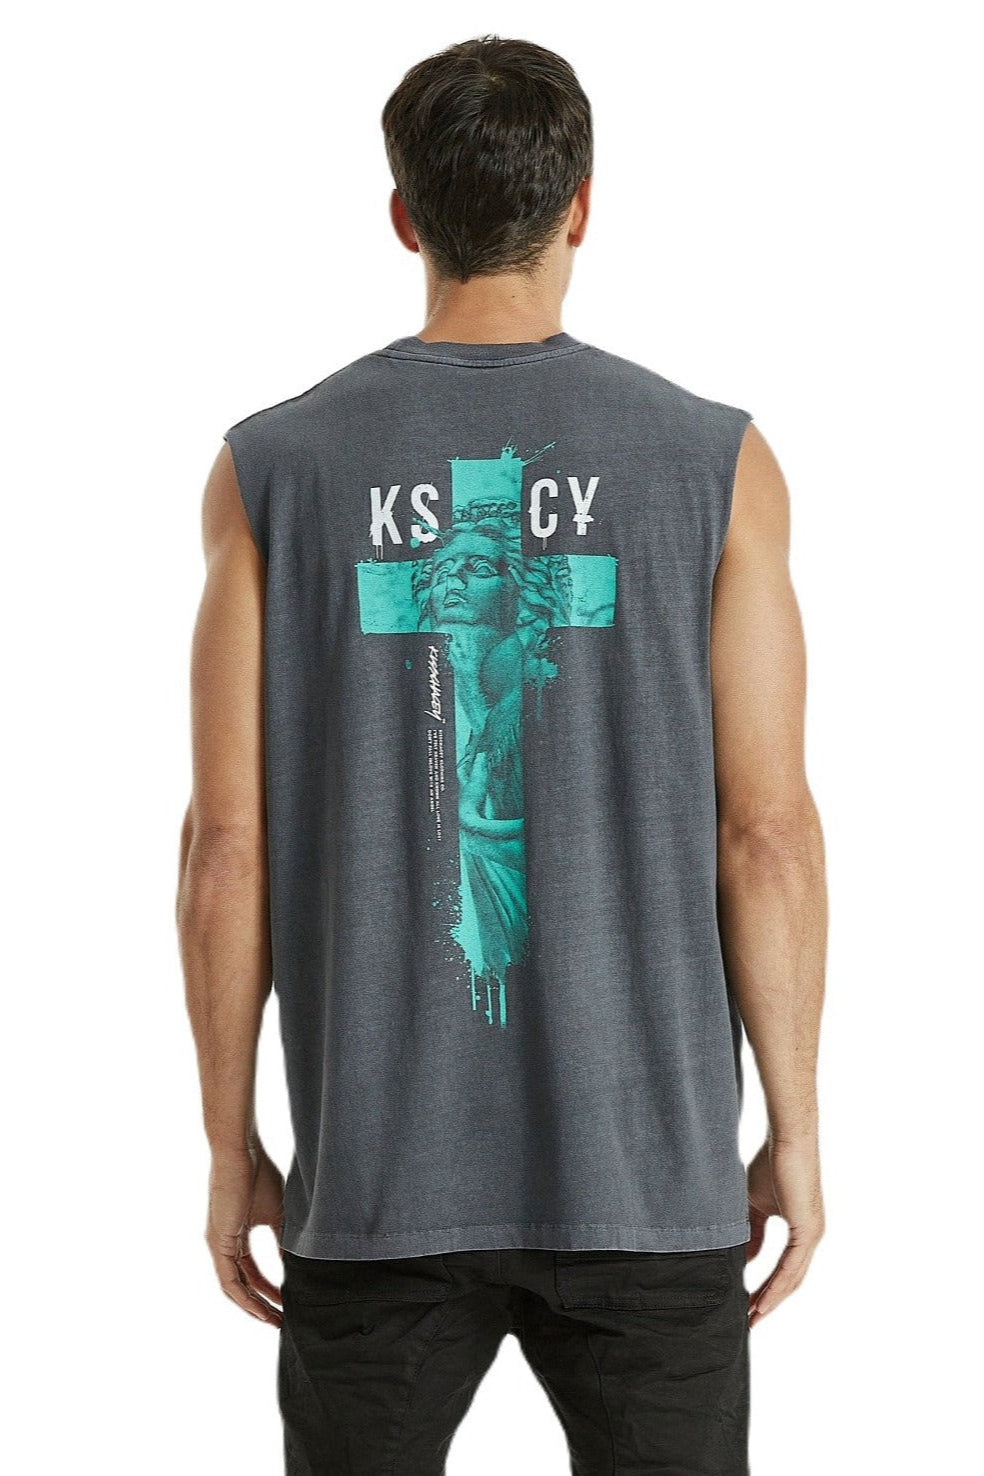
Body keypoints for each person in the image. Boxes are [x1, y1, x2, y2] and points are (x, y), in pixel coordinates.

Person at [176, 33, 826, 1476]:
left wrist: (231, 1147)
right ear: (581, 206)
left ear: (404, 214)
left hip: (376, 1170)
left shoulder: (273, 470)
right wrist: (793, 1127)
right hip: (648, 1169)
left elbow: (226, 846)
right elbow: (768, 832)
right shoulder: (714, 464)